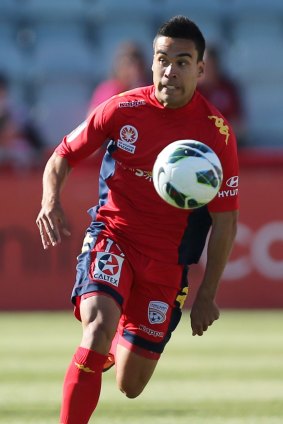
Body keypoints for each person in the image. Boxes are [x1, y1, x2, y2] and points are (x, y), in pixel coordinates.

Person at [36, 15, 239, 424]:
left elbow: (225, 222)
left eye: (183, 61)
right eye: (163, 59)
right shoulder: (123, 107)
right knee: (95, 332)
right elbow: (62, 155)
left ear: (200, 69)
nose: (170, 70)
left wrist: (206, 294)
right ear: (152, 63)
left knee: (130, 385)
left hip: (166, 266)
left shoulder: (216, 134)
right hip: (114, 236)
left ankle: (114, 341)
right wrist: (50, 200)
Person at [197, 45, 247, 146]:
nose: (208, 70)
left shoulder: (229, 89)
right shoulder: (190, 90)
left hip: (225, 143)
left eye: (211, 66)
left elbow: (239, 125)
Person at [87, 41, 150, 114]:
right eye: (128, 65)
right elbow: (93, 120)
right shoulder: (107, 90)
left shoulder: (149, 90)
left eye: (138, 67)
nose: (134, 71)